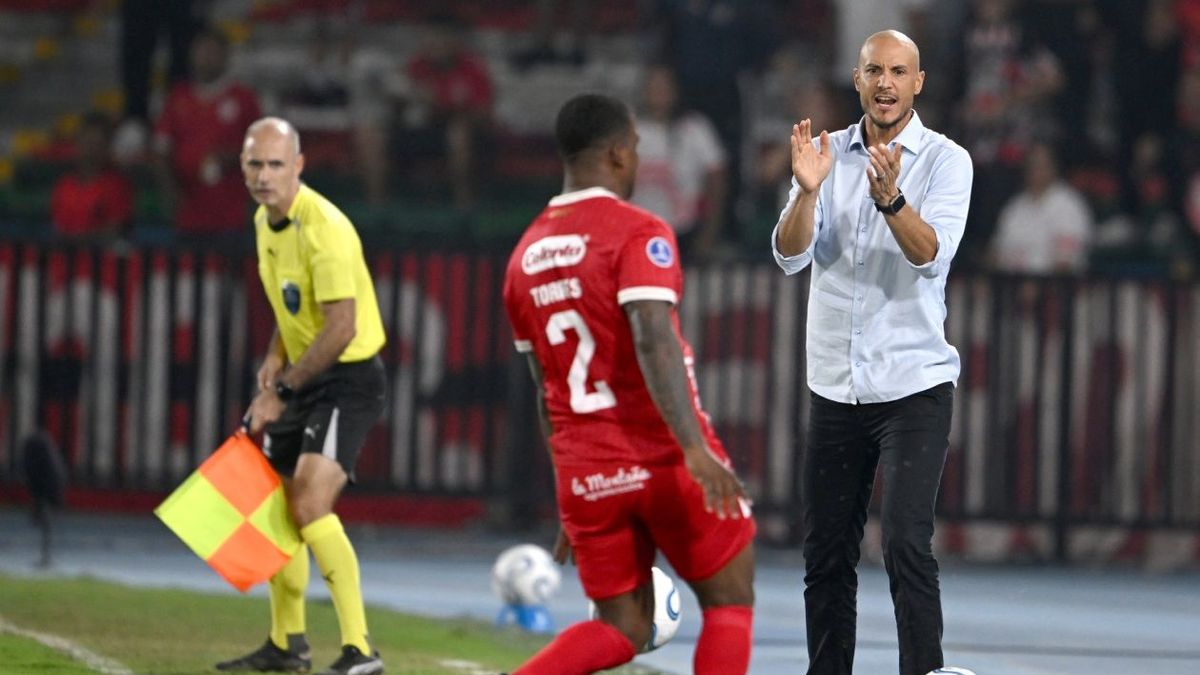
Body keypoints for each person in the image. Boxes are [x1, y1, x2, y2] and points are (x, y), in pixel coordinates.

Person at [502, 93, 756, 675]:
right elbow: (652, 335)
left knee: (621, 627)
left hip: (586, 469)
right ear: (618, 153)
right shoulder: (637, 230)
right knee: (729, 602)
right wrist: (693, 447)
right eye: (637, 149)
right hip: (661, 456)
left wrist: (570, 492)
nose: (637, 160)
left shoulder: (523, 257)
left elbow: (546, 388)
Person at [771, 30, 972, 675]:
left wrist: (889, 198)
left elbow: (928, 252)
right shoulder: (826, 156)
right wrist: (805, 192)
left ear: (919, 83)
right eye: (874, 71)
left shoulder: (946, 162)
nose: (885, 83)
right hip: (835, 386)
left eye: (899, 71)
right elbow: (789, 253)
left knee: (907, 545)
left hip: (913, 385)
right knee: (826, 554)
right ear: (856, 81)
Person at [217, 117, 387, 675]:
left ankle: (361, 651)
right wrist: (274, 355)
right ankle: (286, 644)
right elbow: (296, 309)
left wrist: (280, 391)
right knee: (278, 508)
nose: (263, 176)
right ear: (242, 168)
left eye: (274, 165)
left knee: (310, 501)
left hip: (349, 378)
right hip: (307, 375)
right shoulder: (265, 222)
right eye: (254, 164)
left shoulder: (325, 228)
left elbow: (340, 328)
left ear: (298, 167)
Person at [153, 27, 261, 241]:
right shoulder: (177, 98)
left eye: (213, 52)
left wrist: (232, 157)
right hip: (188, 211)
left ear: (225, 55)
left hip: (230, 210)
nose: (206, 58)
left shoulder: (244, 99)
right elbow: (160, 148)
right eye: (201, 51)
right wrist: (170, 189)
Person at [631, 64, 728, 259]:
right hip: (635, 233)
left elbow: (718, 181)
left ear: (675, 91)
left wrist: (709, 233)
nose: (659, 93)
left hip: (684, 233)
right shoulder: (628, 127)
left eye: (664, 86)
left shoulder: (696, 128)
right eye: (654, 86)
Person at [988, 142, 1093, 275]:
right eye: (1031, 165)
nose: (1035, 171)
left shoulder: (1069, 205)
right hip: (1010, 286)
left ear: (1054, 168)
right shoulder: (1015, 206)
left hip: (1056, 289)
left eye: (1041, 165)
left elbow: (1065, 265)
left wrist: (1035, 290)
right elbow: (995, 253)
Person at [50, 111, 135, 240]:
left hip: (100, 257)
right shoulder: (64, 185)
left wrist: (78, 240)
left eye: (96, 143)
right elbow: (58, 227)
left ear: (107, 147)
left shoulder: (116, 186)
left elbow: (116, 230)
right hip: (63, 257)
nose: (90, 149)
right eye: (86, 141)